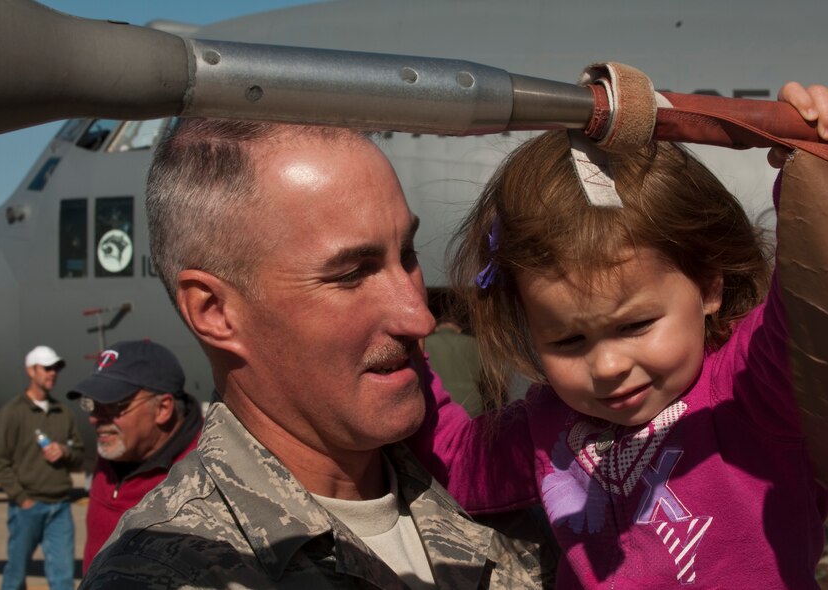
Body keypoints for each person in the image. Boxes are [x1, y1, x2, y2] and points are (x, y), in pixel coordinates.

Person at [408, 84, 828, 588]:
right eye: (567, 341)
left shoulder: (750, 386)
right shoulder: (547, 425)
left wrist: (822, 164)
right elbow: (454, 459)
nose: (607, 367)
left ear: (709, 286)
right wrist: (405, 344)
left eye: (635, 326)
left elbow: (812, 297)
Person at [80, 122, 556, 588]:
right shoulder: (174, 572)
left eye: (407, 254)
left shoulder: (516, 505)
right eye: (351, 273)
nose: (419, 317)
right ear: (216, 312)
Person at [65, 339, 203, 573]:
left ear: (163, 408)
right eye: (93, 404)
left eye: (113, 405)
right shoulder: (115, 449)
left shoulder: (204, 476)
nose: (95, 418)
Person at [0, 346, 83, 590]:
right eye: (47, 368)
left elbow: (79, 458)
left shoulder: (63, 413)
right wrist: (22, 499)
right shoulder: (12, 413)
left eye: (55, 368)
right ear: (30, 370)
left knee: (63, 579)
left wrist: (64, 451)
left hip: (61, 509)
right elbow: (0, 462)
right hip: (28, 508)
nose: (52, 373)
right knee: (15, 575)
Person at [424, 319, 484, 417]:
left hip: (437, 402)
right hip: (471, 403)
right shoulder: (473, 343)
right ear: (458, 328)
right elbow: (490, 376)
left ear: (437, 327)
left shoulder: (426, 343)